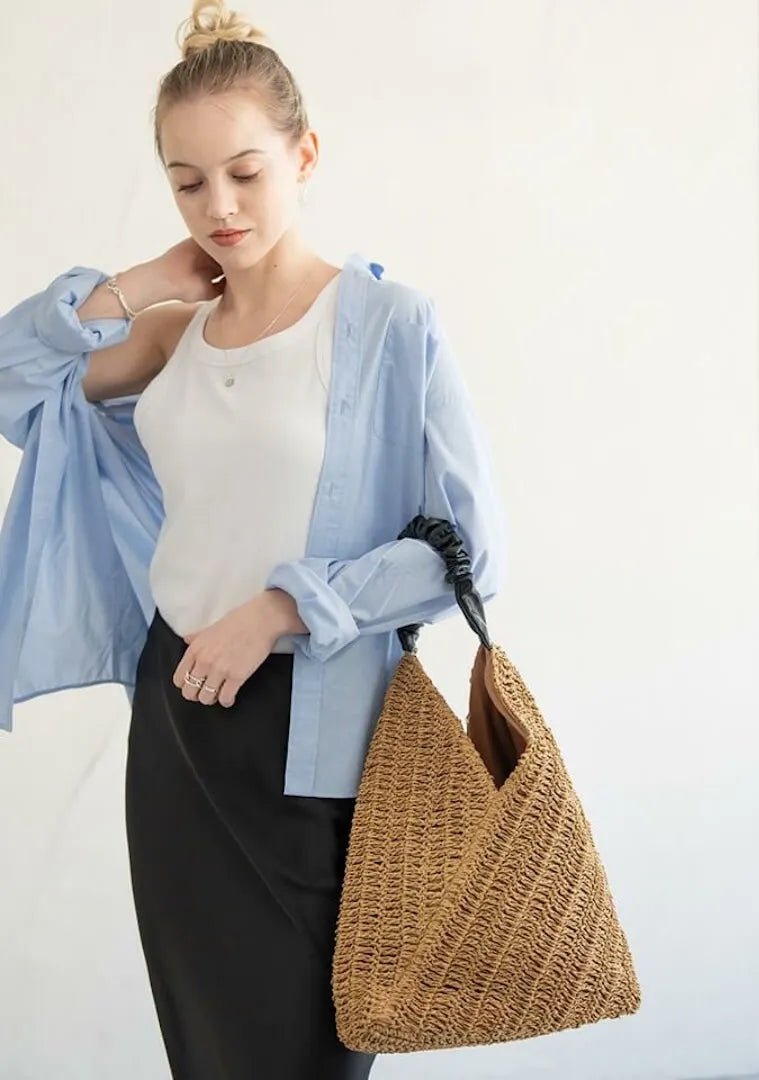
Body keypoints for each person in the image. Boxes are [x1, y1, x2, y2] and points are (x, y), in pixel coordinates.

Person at [0, 1, 507, 1077]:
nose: (218, 207)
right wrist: (138, 286)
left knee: (304, 1055)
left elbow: (472, 547)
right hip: (178, 730)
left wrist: (284, 606)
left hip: (312, 734)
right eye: (187, 183)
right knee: (207, 1053)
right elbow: (13, 383)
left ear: (305, 155)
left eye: (245, 172)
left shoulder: (386, 326)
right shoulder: (171, 336)